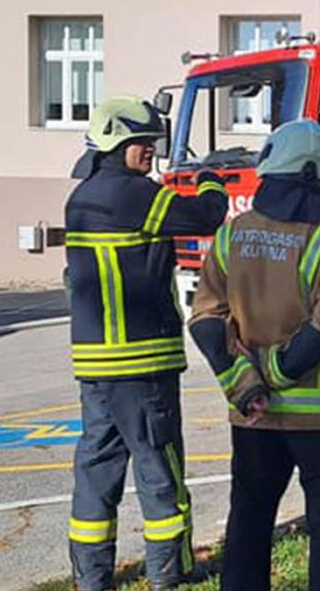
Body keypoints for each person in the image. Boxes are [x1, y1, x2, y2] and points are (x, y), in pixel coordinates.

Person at [187, 120, 320, 591]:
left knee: (249, 517)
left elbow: (206, 317)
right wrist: (272, 372)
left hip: (253, 416)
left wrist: (245, 381)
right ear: (317, 172)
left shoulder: (233, 235)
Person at [63, 95, 228, 591]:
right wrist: (211, 177)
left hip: (95, 365)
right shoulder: (136, 196)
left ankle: (92, 579)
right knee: (160, 469)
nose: (151, 152)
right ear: (117, 143)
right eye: (143, 143)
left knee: (97, 470)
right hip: (143, 364)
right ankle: (170, 573)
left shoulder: (82, 198)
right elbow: (207, 216)